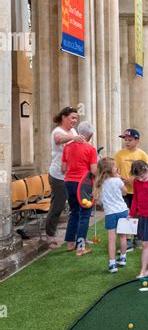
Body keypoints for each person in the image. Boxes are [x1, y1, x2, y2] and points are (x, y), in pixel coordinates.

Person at [45, 106, 84, 248]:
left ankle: (76, 237)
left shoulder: (73, 130)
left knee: (76, 206)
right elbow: (59, 139)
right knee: (58, 206)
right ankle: (50, 236)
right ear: (63, 117)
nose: (74, 121)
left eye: (76, 118)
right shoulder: (58, 131)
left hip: (71, 175)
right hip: (58, 175)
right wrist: (74, 138)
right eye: (72, 118)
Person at [61, 121, 98, 255]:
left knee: (74, 212)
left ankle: (71, 242)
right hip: (83, 184)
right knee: (84, 214)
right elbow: (94, 170)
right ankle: (80, 246)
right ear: (91, 135)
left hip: (68, 182)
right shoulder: (91, 149)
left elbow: (63, 169)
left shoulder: (67, 147)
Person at [94, 158, 129, 273]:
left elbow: (98, 201)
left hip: (110, 213)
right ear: (110, 169)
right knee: (123, 236)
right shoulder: (117, 180)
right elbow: (125, 192)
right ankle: (123, 258)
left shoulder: (100, 183)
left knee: (111, 240)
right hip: (122, 211)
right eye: (115, 167)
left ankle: (112, 264)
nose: (116, 169)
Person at [114, 129, 148, 211]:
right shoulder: (119, 154)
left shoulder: (142, 154)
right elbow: (113, 169)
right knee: (125, 213)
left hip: (138, 190)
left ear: (137, 140)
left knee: (138, 213)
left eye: (130, 140)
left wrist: (136, 178)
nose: (127, 142)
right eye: (125, 140)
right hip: (123, 190)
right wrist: (118, 177)